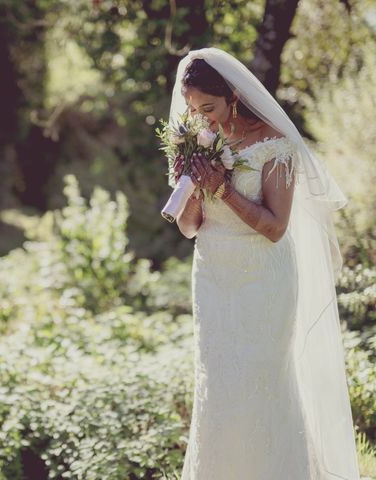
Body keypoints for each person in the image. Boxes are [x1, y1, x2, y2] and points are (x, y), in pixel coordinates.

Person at [168, 48, 361, 479]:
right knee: (218, 384)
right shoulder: (196, 142)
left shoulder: (275, 143)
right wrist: (194, 187)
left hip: (264, 278)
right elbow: (189, 226)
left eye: (210, 108)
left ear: (233, 96)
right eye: (195, 109)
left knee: (263, 379)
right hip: (214, 276)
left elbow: (275, 227)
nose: (204, 118)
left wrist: (223, 188)